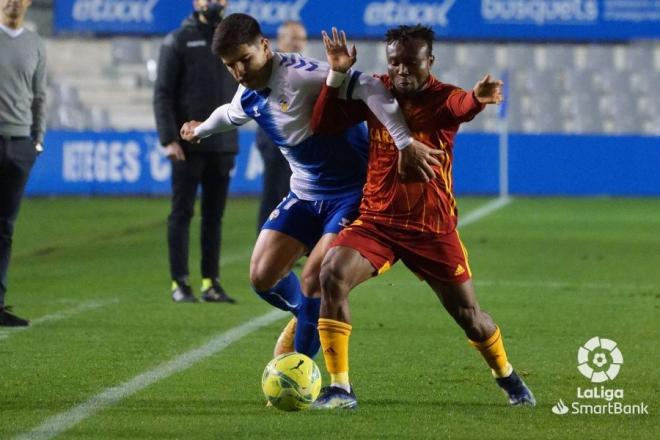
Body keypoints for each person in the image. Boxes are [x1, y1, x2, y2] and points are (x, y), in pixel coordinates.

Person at [180, 13, 439, 359]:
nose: (240, 71)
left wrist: (404, 141)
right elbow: (229, 113)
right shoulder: (249, 92)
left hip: (353, 194)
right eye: (231, 66)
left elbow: (371, 86)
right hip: (304, 193)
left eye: (245, 59)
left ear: (265, 46)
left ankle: (303, 375)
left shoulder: (303, 76)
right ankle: (309, 313)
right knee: (262, 276)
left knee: (315, 279)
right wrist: (200, 130)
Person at [310, 26, 535, 409]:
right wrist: (337, 75)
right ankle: (340, 388)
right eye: (394, 61)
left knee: (470, 317)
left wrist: (478, 99)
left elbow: (460, 105)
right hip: (378, 221)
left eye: (411, 63)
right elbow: (324, 125)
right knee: (331, 273)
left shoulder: (441, 98)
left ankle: (506, 375)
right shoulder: (375, 91)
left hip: (432, 229)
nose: (401, 70)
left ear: (429, 62)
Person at [154, 0, 237, 303]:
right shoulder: (178, 39)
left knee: (214, 216)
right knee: (182, 212)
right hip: (187, 145)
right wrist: (168, 138)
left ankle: (210, 282)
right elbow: (162, 93)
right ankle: (180, 282)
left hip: (224, 144)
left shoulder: (235, 38)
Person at [0, 0, 46, 327]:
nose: (13, 1)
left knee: (5, 228)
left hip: (19, 144)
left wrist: (37, 140)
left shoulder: (35, 43)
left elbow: (39, 95)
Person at [255, 21, 307, 233]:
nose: (298, 43)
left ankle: (290, 242)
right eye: (293, 38)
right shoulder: (268, 67)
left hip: (298, 141)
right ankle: (264, 242)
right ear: (281, 40)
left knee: (297, 193)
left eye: (301, 38)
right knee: (274, 193)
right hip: (274, 140)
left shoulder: (305, 66)